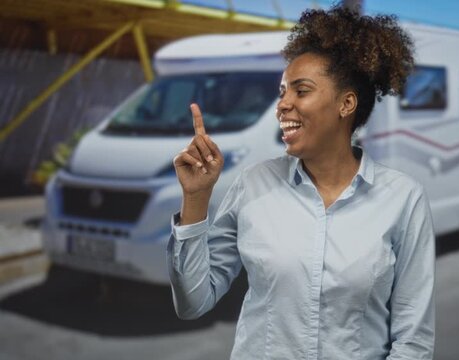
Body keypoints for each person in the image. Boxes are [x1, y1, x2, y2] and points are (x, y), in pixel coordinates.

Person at [167, 5, 435, 359]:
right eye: (282, 92)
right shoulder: (253, 185)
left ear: (346, 103)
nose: (282, 105)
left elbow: (413, 341)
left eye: (301, 91)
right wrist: (196, 199)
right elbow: (193, 302)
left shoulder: (403, 199)